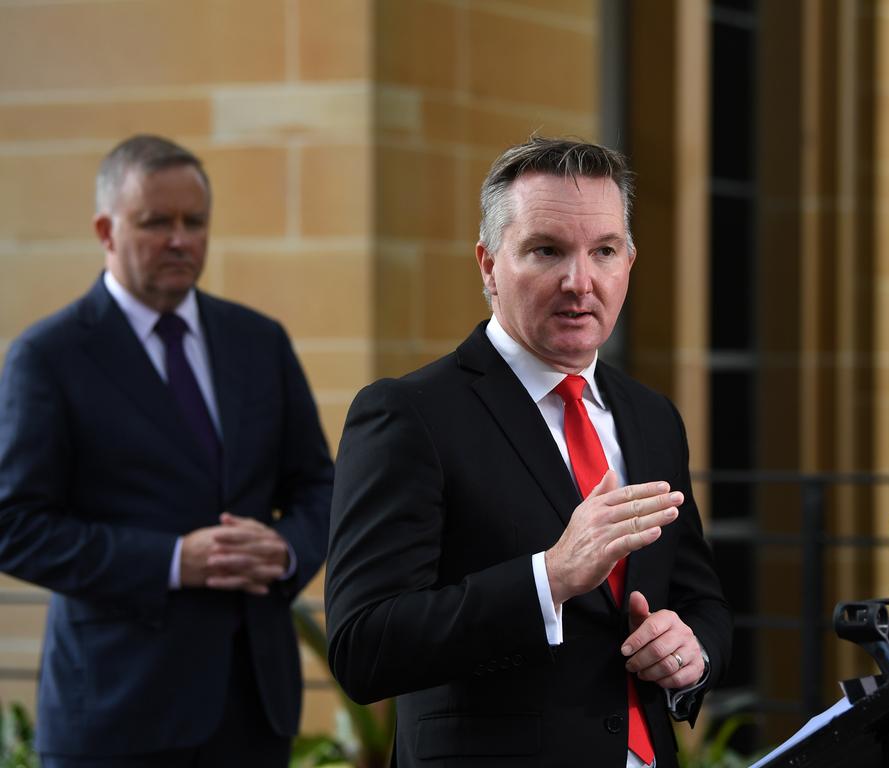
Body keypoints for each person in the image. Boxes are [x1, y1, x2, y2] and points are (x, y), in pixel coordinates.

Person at [325, 136, 732, 767]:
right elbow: (363, 646)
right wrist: (551, 578)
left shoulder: (652, 417)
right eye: (547, 251)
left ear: (629, 261)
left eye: (604, 251)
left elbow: (700, 598)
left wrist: (692, 650)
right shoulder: (409, 415)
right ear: (488, 264)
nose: (580, 281)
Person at [0, 135, 334, 767]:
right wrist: (173, 561)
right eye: (157, 223)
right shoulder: (49, 357)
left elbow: (320, 486)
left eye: (195, 222)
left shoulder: (258, 341)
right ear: (105, 229)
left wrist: (288, 549)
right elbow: (14, 526)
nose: (181, 239)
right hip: (116, 711)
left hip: (254, 708)